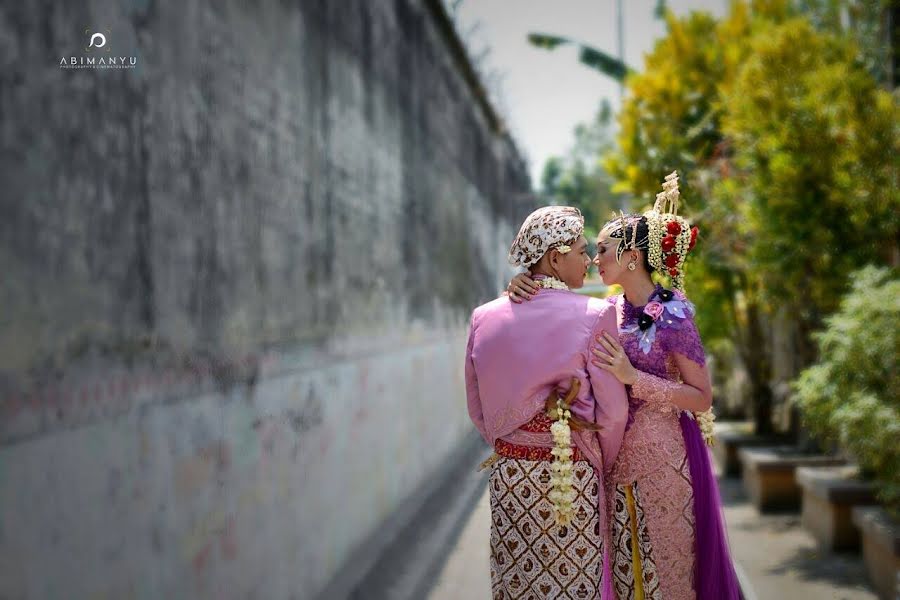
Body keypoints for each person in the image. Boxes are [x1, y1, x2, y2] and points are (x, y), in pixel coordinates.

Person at [507, 173, 742, 600]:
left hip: (665, 461)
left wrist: (636, 380)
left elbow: (701, 396)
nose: (593, 259)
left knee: (669, 575)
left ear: (632, 256)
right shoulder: (604, 310)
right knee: (627, 575)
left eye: (601, 250)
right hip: (613, 463)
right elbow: (552, 310)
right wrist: (522, 283)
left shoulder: (675, 314)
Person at [465, 206, 629, 599]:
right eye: (580, 250)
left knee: (518, 587)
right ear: (555, 257)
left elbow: (476, 405)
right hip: (569, 480)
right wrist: (594, 459)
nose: (589, 259)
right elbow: (615, 412)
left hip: (510, 479)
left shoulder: (483, 316)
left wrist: (511, 442)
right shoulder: (596, 313)